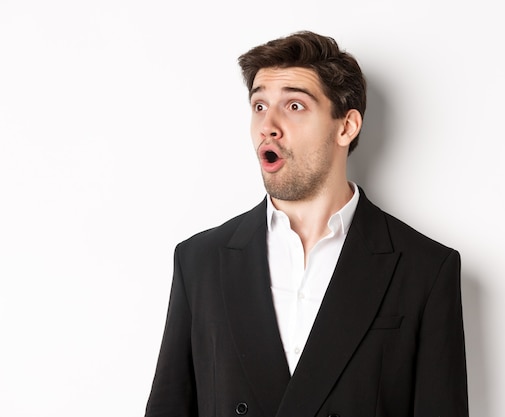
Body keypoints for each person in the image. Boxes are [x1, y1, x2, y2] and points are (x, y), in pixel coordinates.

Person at [145, 30, 469, 417]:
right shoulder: (199, 261)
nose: (269, 125)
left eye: (294, 106)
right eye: (260, 106)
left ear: (346, 127)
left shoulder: (425, 269)